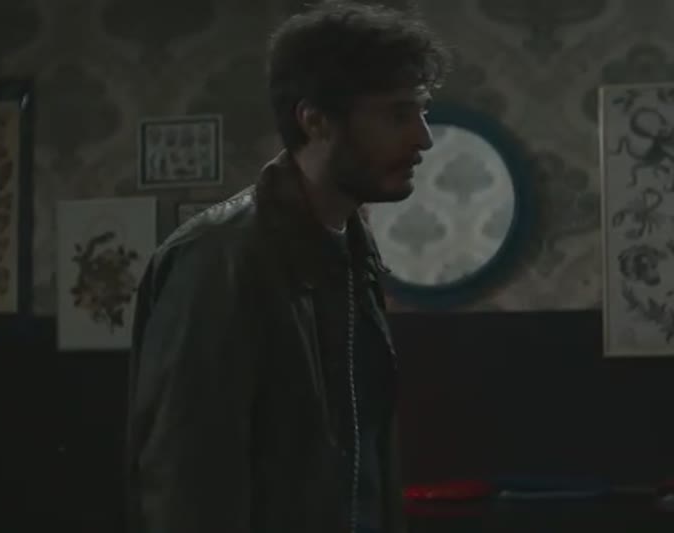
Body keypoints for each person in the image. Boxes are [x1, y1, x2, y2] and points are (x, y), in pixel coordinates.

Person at [125, 2, 449, 533]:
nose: (423, 138)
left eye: (421, 111)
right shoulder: (218, 258)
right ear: (315, 120)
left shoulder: (353, 254)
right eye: (397, 115)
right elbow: (187, 481)